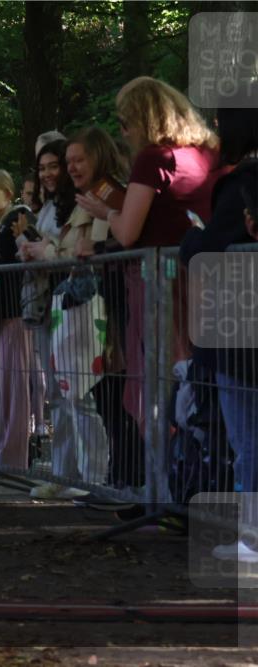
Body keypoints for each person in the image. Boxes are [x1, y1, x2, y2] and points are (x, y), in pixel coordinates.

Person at [76, 76, 224, 437]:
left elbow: (127, 232)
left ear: (143, 119)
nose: (123, 132)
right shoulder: (209, 153)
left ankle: (164, 476)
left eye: (125, 122)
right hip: (207, 278)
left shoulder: (154, 158)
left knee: (160, 380)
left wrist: (104, 212)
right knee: (202, 376)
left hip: (162, 283)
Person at [20, 128, 129, 496]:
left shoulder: (103, 196)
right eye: (56, 165)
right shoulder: (67, 203)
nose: (64, 170)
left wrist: (46, 253)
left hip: (89, 309)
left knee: (84, 395)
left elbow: (91, 255)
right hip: (61, 309)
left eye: (70, 162)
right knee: (63, 395)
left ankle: (93, 479)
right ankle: (64, 475)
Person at [180, 101, 258, 562]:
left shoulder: (242, 184)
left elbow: (210, 249)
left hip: (240, 337)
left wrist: (194, 239)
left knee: (247, 438)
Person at [0, 169, 36, 470]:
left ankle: (14, 457)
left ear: (7, 193)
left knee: (15, 388)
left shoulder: (18, 218)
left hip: (15, 314)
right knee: (1, 386)